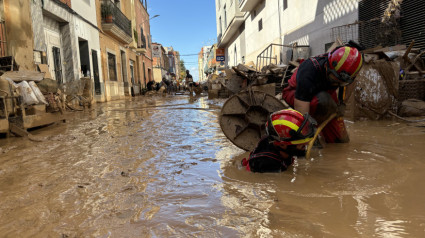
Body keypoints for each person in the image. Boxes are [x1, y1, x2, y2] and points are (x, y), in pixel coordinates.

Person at [282, 44, 363, 143]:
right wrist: (306, 132)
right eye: (333, 79)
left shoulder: (347, 72)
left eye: (340, 82)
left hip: (324, 92)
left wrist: (342, 103)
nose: (336, 84)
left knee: (341, 140)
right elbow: (301, 109)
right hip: (296, 93)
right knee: (324, 101)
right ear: (327, 66)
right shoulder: (309, 72)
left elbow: (350, 84)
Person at [241, 109, 317, 173]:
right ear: (282, 145)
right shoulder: (269, 163)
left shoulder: (278, 142)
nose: (307, 144)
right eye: (302, 145)